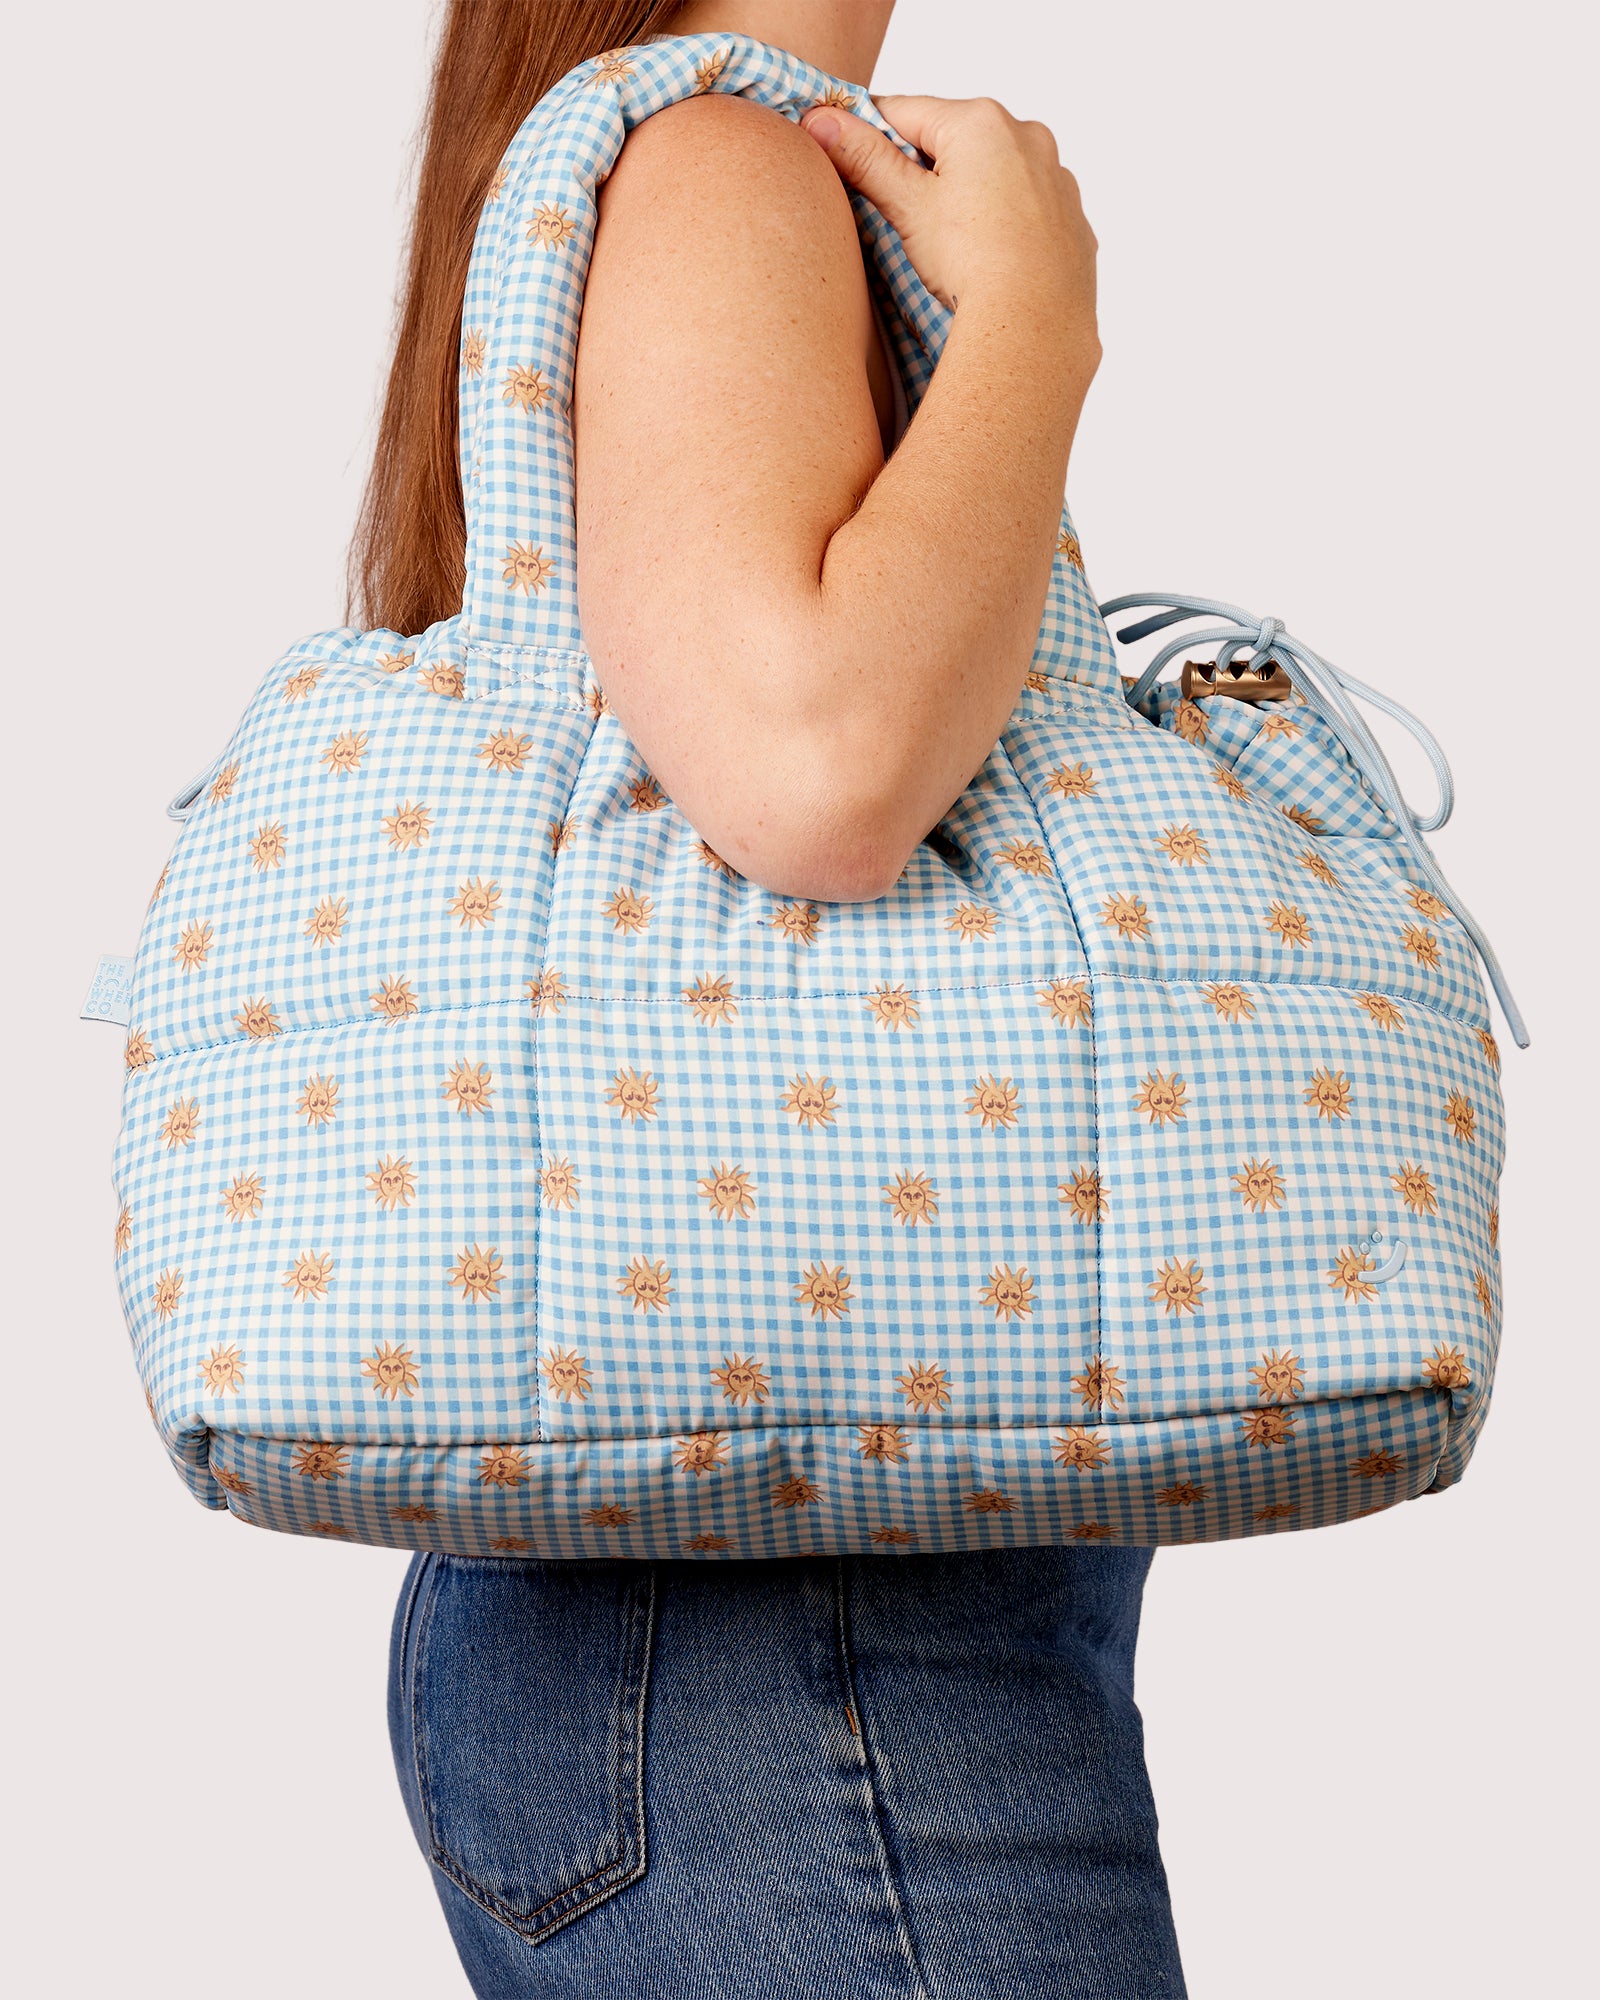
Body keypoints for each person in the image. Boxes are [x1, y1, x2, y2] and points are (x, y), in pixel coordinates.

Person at [362, 2, 1186, 1993]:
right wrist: (1036, 323)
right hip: (800, 1655)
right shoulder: (722, 162)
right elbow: (813, 771)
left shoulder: (692, 153)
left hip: (749, 1635)